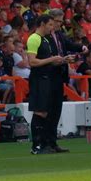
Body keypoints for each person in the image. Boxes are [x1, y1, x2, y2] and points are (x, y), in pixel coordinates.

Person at [45, 9, 86, 153]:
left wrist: (81, 47)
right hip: (48, 77)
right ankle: (45, 143)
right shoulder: (43, 37)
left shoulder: (59, 35)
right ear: (50, 20)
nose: (60, 24)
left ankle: (52, 142)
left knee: (56, 111)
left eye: (61, 21)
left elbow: (68, 44)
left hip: (58, 76)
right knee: (48, 111)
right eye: (58, 21)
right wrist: (63, 59)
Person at [26, 15, 64, 155]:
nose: (52, 28)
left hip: (46, 78)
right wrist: (52, 58)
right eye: (50, 25)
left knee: (45, 112)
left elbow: (46, 61)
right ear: (42, 24)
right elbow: (32, 62)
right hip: (38, 79)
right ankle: (36, 146)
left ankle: (43, 144)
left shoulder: (45, 40)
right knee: (40, 111)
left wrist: (62, 60)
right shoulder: (34, 38)